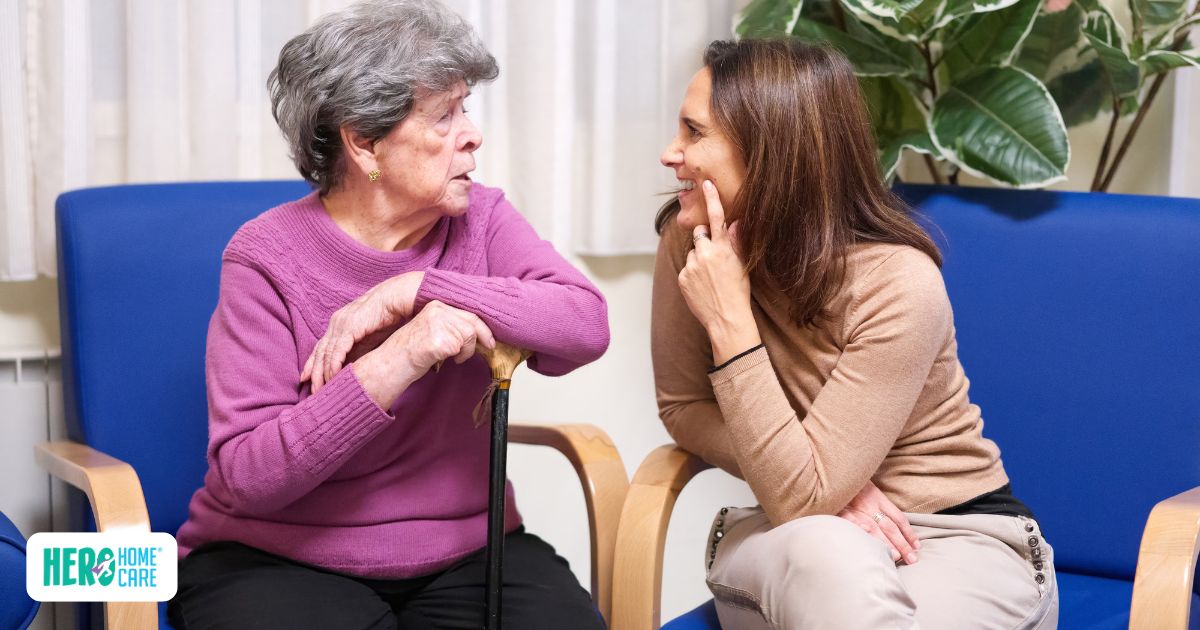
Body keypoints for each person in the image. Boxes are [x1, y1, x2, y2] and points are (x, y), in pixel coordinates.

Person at [168, 1, 609, 628]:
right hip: (278, 555)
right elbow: (250, 475)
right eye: (443, 116)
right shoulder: (265, 257)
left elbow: (585, 324)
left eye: (466, 108)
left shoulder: (478, 219)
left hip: (467, 552)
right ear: (364, 140)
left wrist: (420, 289)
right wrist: (401, 354)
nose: (472, 134)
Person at [651, 39, 1058, 629]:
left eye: (694, 132)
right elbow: (683, 405)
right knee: (827, 552)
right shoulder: (689, 243)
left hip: (952, 535)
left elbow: (805, 490)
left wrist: (731, 322)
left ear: (772, 151)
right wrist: (821, 487)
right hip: (792, 537)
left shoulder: (897, 282)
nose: (671, 153)